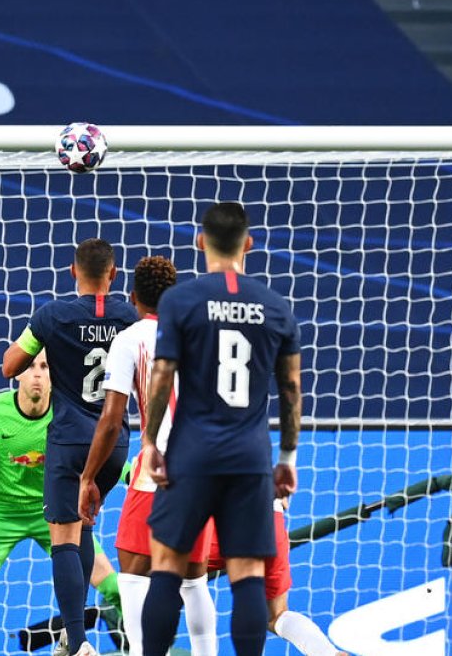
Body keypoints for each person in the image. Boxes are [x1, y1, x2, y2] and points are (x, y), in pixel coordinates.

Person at [139, 202, 301, 656]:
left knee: (167, 565)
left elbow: (162, 373)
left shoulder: (180, 300)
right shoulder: (275, 305)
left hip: (191, 452)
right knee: (247, 571)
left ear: (200, 242)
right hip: (250, 457)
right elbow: (290, 388)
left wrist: (151, 442)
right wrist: (286, 459)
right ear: (249, 244)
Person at [0, 350, 125, 656]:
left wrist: (133, 471)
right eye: (30, 366)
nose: (38, 374)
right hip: (0, 513)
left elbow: (105, 457)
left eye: (45, 366)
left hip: (55, 511)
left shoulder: (70, 413)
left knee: (116, 590)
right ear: (17, 373)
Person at [2, 238, 139, 656]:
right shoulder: (131, 317)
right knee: (83, 530)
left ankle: (78, 643)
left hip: (70, 441)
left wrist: (47, 345)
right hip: (115, 444)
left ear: (72, 272)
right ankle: (71, 636)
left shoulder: (52, 316)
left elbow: (10, 366)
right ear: (113, 274)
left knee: (63, 538)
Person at [80, 255, 218, 655]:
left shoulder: (130, 338)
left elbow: (110, 420)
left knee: (134, 571)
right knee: (193, 580)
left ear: (133, 296)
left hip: (156, 469)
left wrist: (89, 477)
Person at [205, 499, 348, 656]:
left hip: (213, 526)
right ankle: (327, 653)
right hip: (268, 523)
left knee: (181, 582)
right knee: (277, 615)